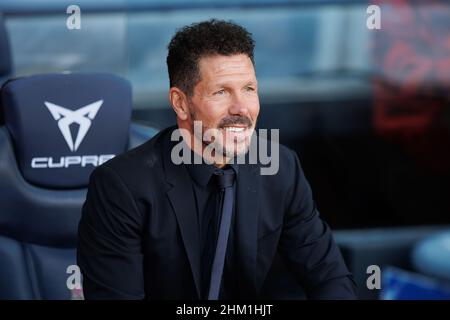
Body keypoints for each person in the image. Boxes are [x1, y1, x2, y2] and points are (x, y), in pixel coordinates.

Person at [77, 19, 357, 300]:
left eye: (249, 89)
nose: (241, 108)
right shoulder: (122, 186)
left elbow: (329, 277)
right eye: (221, 92)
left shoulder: (281, 169)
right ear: (181, 103)